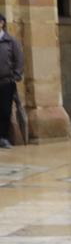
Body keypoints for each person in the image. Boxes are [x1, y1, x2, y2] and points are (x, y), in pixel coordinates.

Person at [0, 15, 21, 147]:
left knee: (5, 110)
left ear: (1, 23)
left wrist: (16, 76)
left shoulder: (11, 41)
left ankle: (3, 137)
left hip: (6, 81)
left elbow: (19, 60)